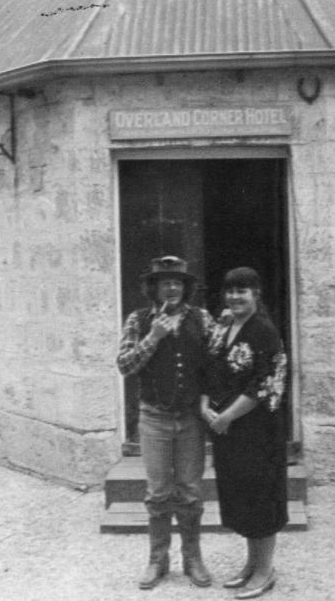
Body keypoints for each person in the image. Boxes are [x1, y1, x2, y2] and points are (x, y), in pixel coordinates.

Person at [117, 255, 216, 590]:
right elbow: (125, 366)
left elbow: (217, 361)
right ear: (154, 288)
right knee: (158, 493)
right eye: (165, 283)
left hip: (190, 419)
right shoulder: (138, 319)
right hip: (154, 418)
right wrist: (154, 337)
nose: (171, 288)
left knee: (189, 491)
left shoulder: (202, 318)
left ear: (185, 287)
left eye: (177, 282)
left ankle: (193, 558)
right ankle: (157, 560)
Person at [201, 267, 288, 600]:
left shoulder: (264, 331)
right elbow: (209, 368)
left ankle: (265, 570)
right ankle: (251, 564)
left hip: (258, 431)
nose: (235, 297)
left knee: (261, 495)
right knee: (242, 496)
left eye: (243, 291)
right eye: (231, 290)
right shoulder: (223, 326)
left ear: (256, 294)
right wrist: (205, 406)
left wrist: (226, 416)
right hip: (227, 429)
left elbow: (265, 385)